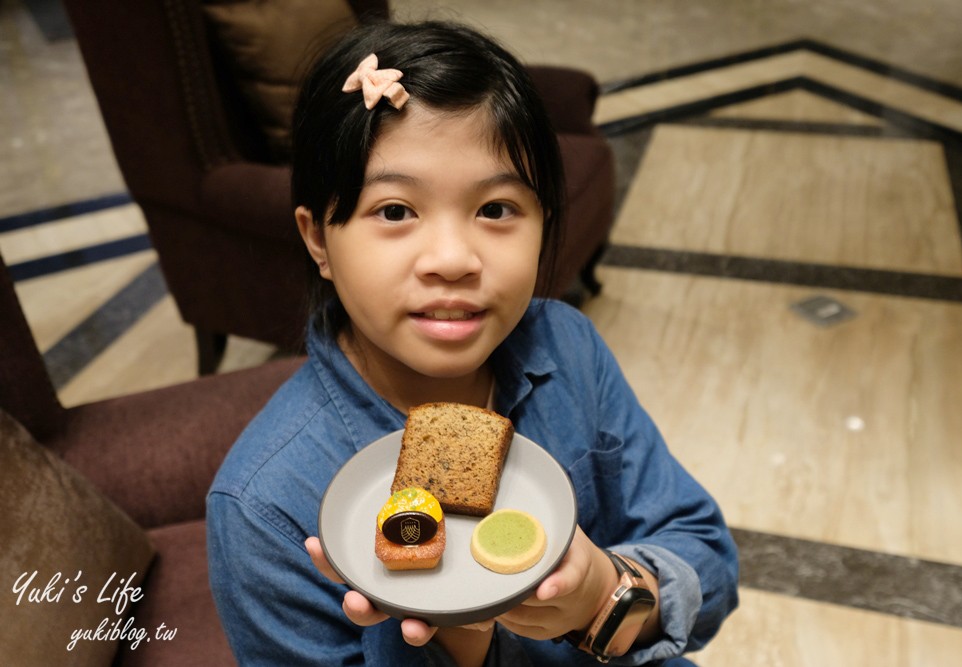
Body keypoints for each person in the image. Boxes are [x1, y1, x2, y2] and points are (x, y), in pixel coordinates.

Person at [207, 20, 738, 666]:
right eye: (396, 211)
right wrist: (456, 636)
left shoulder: (566, 346)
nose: (454, 259)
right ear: (318, 237)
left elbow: (708, 557)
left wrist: (606, 596)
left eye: (496, 209)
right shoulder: (267, 509)